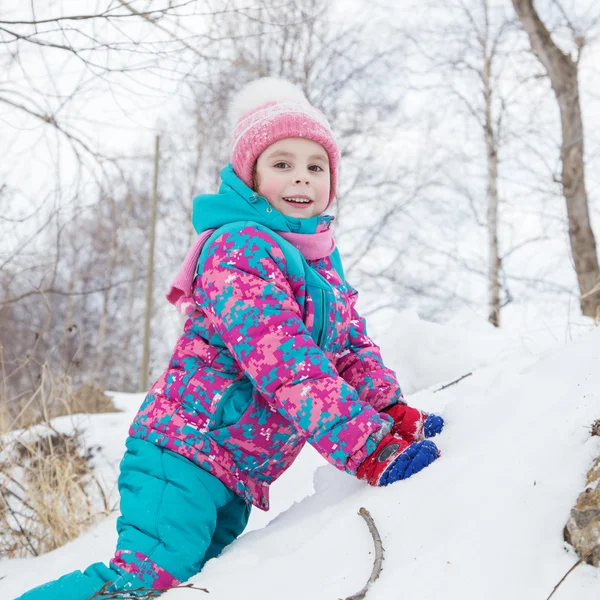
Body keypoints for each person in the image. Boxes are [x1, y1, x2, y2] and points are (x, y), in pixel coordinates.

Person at [15, 77, 444, 600]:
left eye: (316, 165)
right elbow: (287, 364)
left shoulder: (318, 262)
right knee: (145, 581)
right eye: (282, 163)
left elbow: (350, 349)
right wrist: (368, 448)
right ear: (250, 176)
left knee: (192, 589)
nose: (301, 178)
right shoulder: (239, 249)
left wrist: (391, 410)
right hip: (182, 453)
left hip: (237, 475)